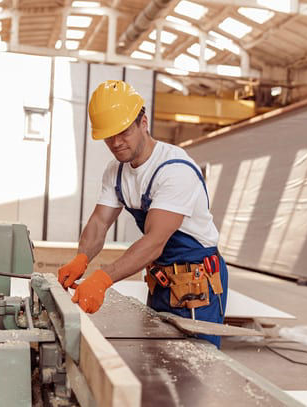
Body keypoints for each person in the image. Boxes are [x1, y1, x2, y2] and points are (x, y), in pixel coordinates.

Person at [57, 80, 228, 347]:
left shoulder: (174, 170)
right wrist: (81, 258)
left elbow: (154, 242)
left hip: (197, 286)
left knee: (196, 368)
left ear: (143, 122)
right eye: (108, 136)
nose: (116, 142)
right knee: (157, 357)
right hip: (161, 280)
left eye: (123, 132)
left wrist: (103, 279)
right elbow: (100, 223)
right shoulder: (116, 172)